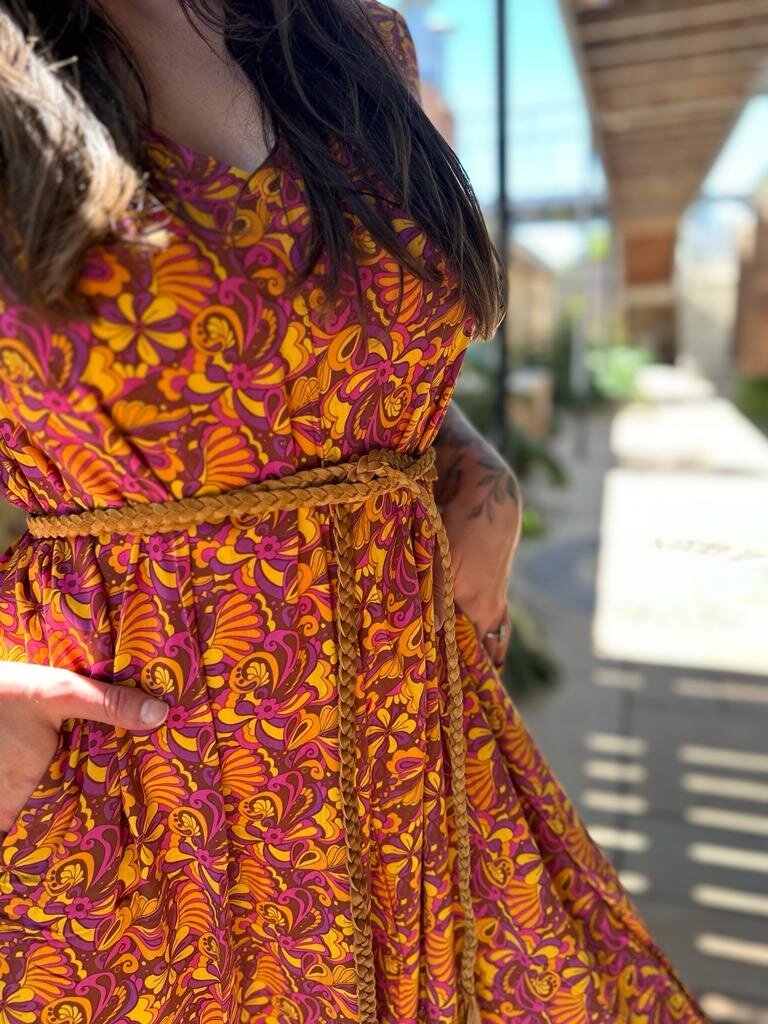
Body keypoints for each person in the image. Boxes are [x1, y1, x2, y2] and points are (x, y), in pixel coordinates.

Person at [0, 2, 708, 1022]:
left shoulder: (355, 45)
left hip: (411, 747)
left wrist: (467, 460)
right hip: (137, 795)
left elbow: (311, 335)